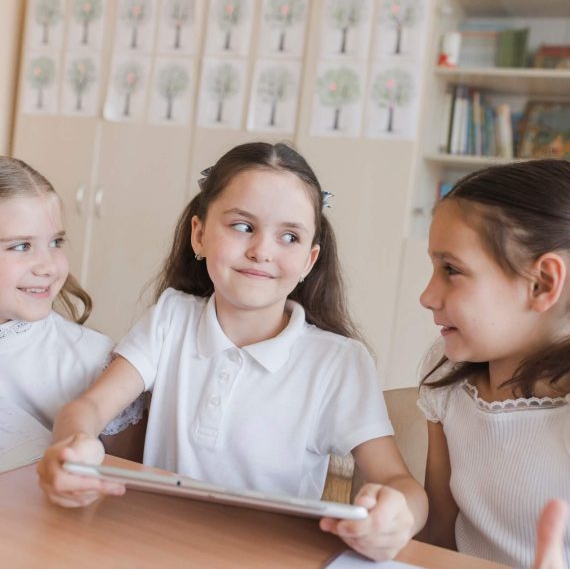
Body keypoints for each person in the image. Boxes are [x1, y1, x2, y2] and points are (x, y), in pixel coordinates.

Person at [38, 142, 427, 561]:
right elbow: (90, 407)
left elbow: (400, 484)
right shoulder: (171, 318)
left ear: (309, 261)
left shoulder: (338, 363)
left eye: (289, 237)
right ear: (200, 234)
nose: (262, 250)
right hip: (152, 545)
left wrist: (396, 516)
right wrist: (74, 446)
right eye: (243, 226)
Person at [417, 159, 570, 568]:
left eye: (451, 270)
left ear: (543, 283)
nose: (427, 296)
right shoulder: (444, 372)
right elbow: (438, 535)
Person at [0, 157, 144, 451]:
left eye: (56, 243)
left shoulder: (95, 363)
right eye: (21, 246)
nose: (49, 267)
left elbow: (126, 478)